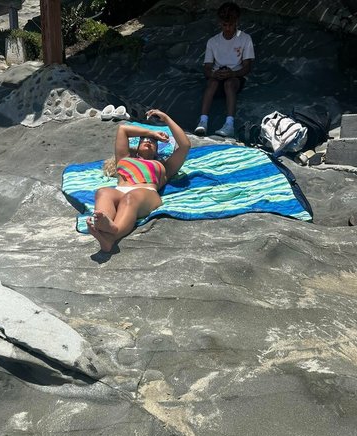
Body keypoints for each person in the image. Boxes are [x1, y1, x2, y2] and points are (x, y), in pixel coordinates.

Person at [86, 109, 190, 252]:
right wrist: (152, 133)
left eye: (153, 142)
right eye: (144, 140)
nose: (148, 141)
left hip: (146, 193)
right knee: (103, 192)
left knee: (130, 198)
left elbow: (185, 145)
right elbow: (123, 129)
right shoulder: (124, 158)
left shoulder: (163, 166)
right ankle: (104, 228)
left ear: (157, 149)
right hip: (120, 191)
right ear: (137, 146)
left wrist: (166, 118)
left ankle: (113, 234)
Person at [195, 2, 255, 138]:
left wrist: (233, 73)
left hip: (235, 77)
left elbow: (247, 67)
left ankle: (229, 125)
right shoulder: (213, 41)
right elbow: (207, 67)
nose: (227, 28)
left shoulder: (245, 39)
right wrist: (213, 74)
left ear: (237, 22)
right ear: (220, 23)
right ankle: (203, 121)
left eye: (231, 25)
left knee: (229, 83)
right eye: (224, 25)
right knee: (212, 83)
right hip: (217, 77)